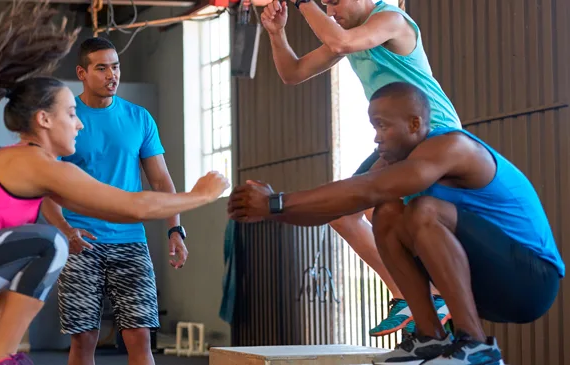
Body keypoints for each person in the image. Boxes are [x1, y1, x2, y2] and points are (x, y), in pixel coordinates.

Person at [0, 2, 230, 365]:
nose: (79, 124)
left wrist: (176, 227)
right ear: (44, 119)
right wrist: (201, 195)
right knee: (49, 242)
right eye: (72, 114)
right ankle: (0, 357)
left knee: (33, 249)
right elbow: (135, 206)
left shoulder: (32, 161)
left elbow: (121, 207)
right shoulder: (37, 164)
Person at [227, 82, 563, 365]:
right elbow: (337, 210)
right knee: (386, 212)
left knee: (423, 210)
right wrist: (274, 211)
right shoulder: (392, 162)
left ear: (415, 124)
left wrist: (277, 201)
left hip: (531, 280)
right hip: (485, 285)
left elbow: (371, 186)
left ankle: (475, 348)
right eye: (374, 127)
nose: (376, 138)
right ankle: (430, 336)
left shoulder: (452, 147)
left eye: (383, 126)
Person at [260, 0, 458, 335]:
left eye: (334, 1)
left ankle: (435, 296)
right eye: (325, 3)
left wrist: (303, 2)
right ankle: (409, 295)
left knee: (384, 214)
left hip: (433, 133)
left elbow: (341, 42)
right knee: (345, 215)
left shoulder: (392, 21)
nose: (330, 9)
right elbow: (293, 73)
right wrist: (277, 34)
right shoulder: (349, 34)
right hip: (398, 142)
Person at [42, 37, 187, 365]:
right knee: (84, 341)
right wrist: (66, 231)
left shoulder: (139, 118)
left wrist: (175, 229)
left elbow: (161, 180)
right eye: (102, 67)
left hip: (130, 240)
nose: (112, 74)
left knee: (139, 338)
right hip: (81, 242)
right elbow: (46, 190)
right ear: (82, 72)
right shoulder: (64, 120)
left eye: (116, 66)